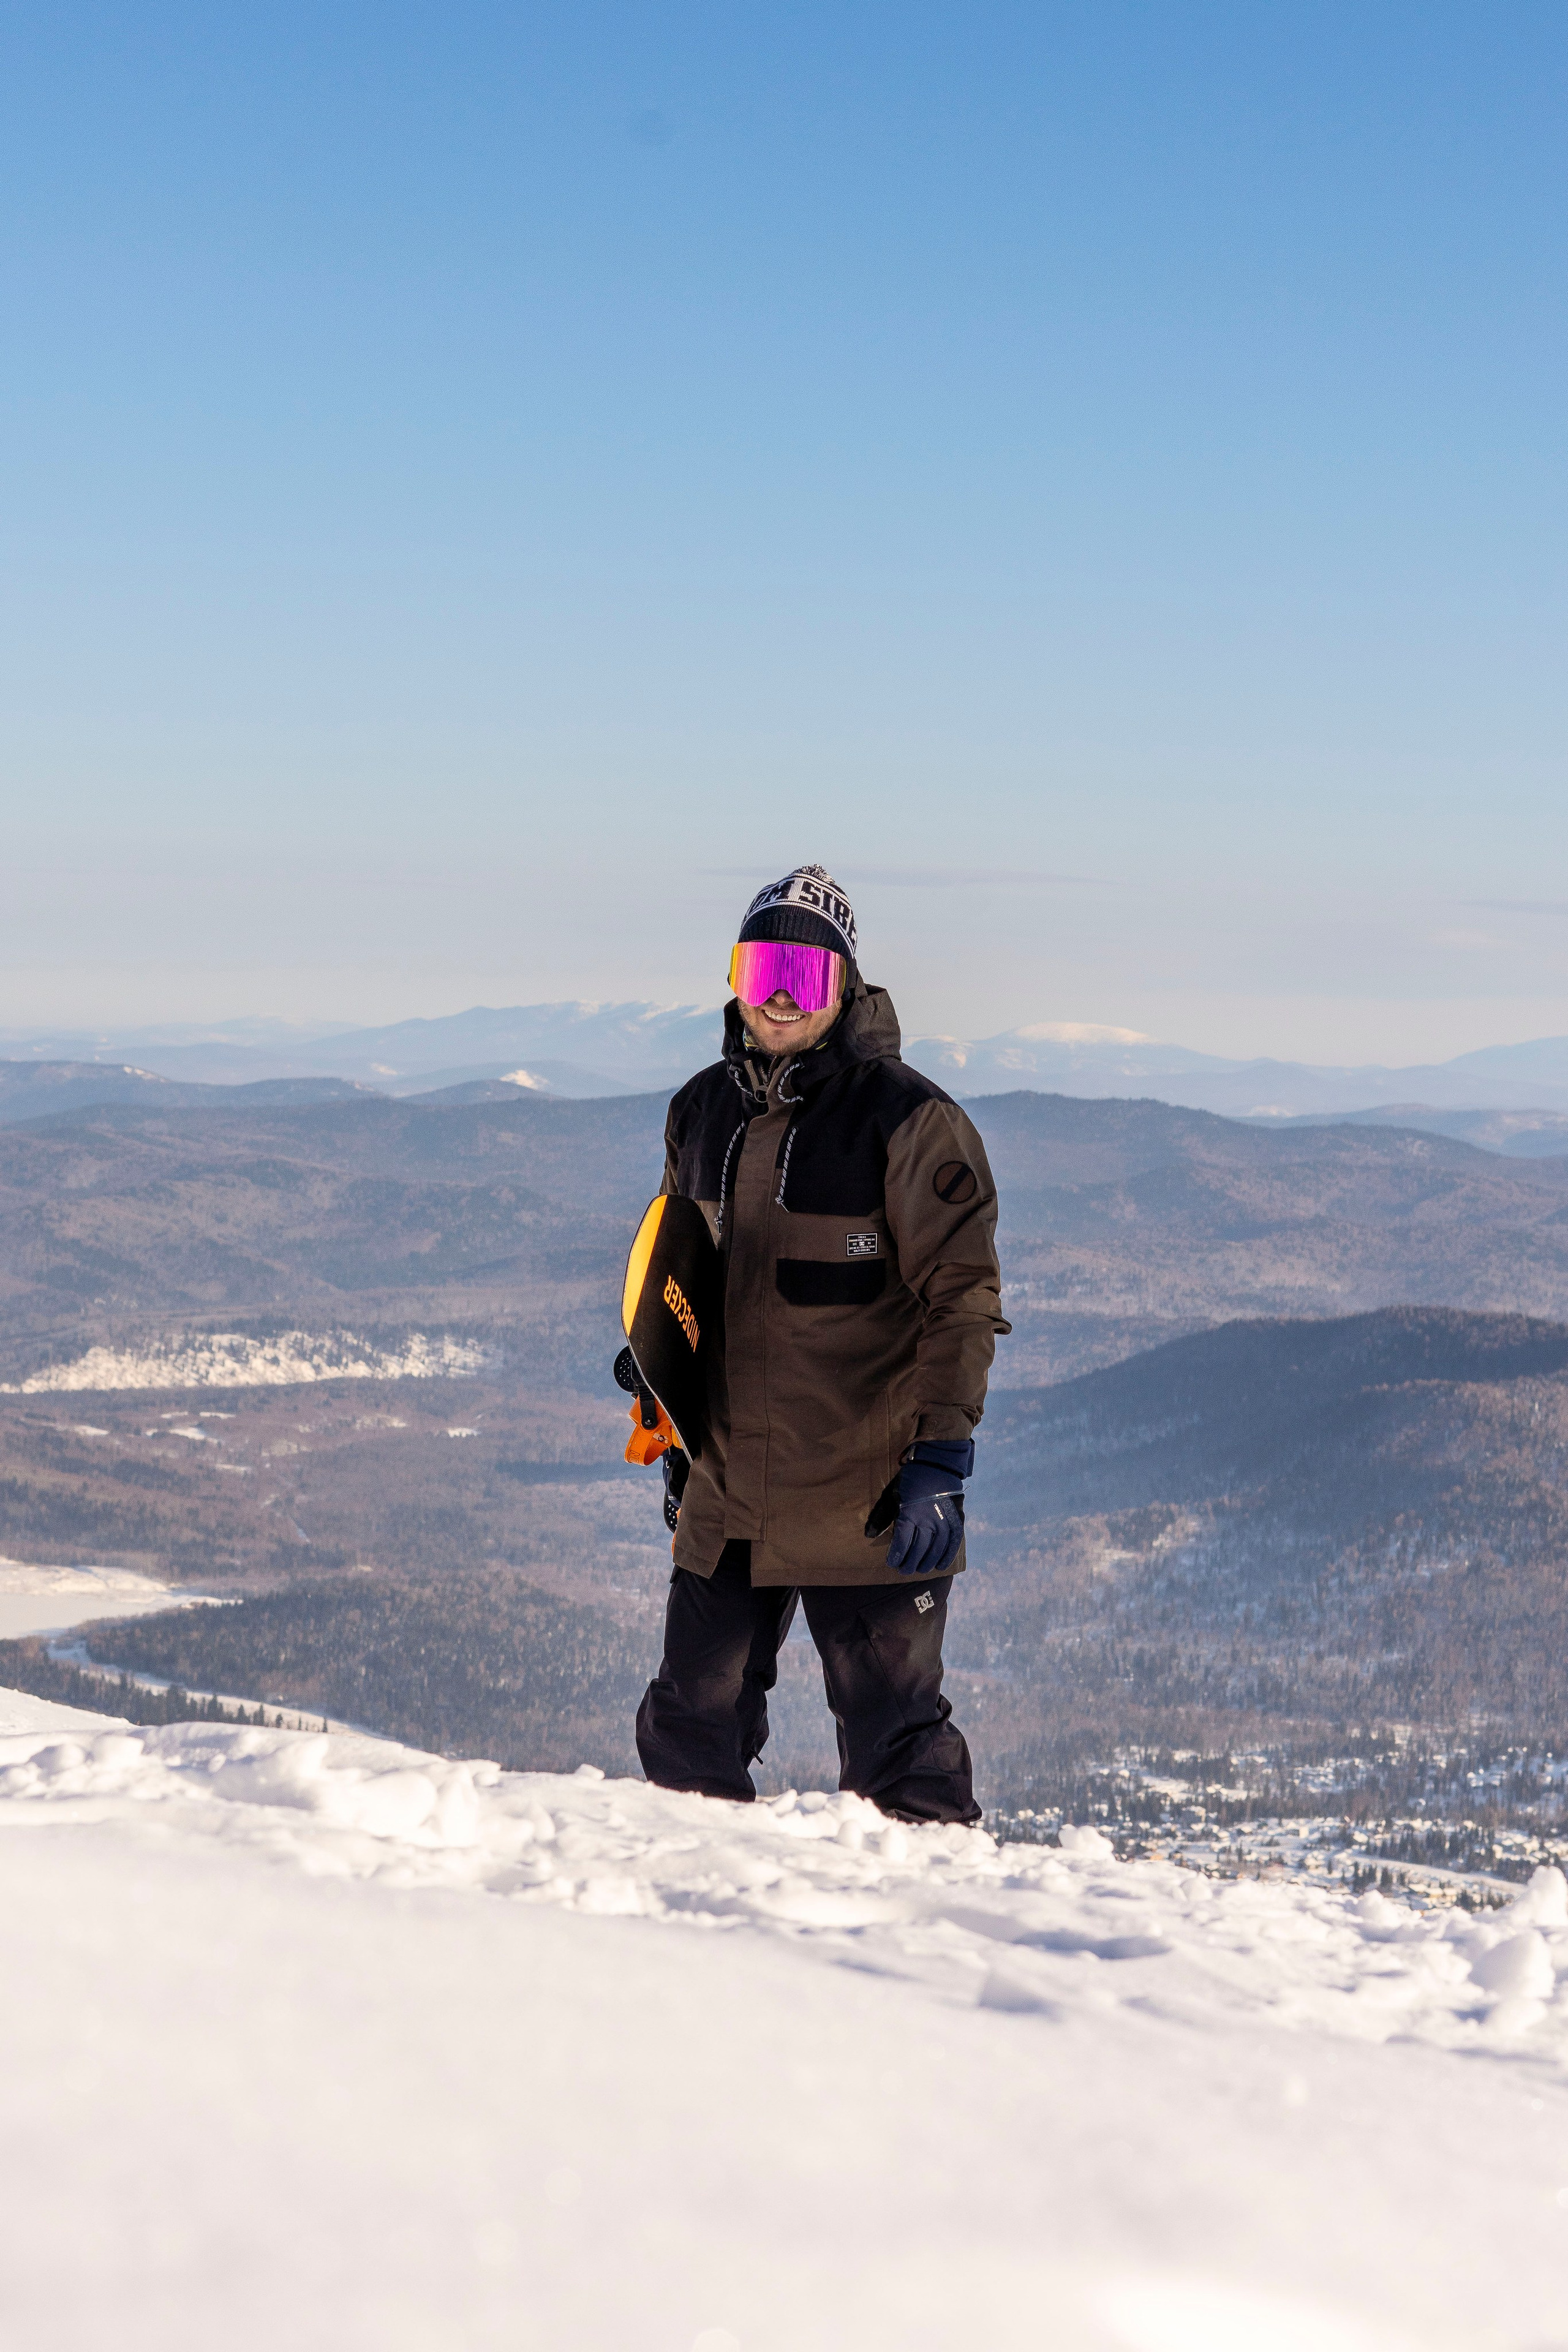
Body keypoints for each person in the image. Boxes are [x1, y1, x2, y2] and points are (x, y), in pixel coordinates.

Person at [634, 862, 1009, 1825]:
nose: (779, 1000)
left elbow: (962, 1298)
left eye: (803, 975)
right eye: (760, 972)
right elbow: (680, 1275)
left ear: (845, 984)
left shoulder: (910, 1121)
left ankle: (928, 1944)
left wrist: (941, 1454)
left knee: (900, 1755)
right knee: (687, 1738)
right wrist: (659, 1386)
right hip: (729, 1494)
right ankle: (693, 1939)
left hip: (871, 1499)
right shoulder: (700, 1110)